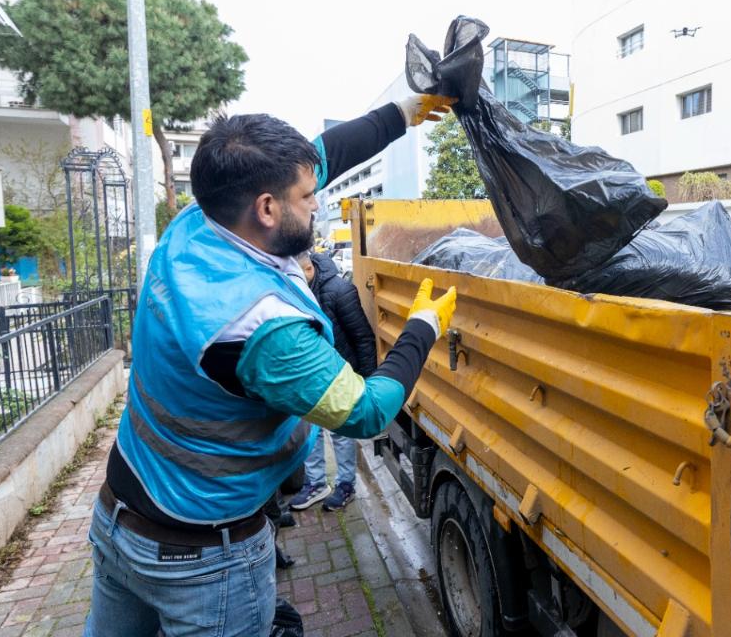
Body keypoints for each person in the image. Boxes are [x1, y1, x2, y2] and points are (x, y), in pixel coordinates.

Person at [84, 94, 457, 637]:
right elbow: (367, 411)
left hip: (120, 512)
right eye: (309, 198)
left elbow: (324, 153)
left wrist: (404, 111)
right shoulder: (260, 327)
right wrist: (423, 325)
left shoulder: (197, 222)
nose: (317, 205)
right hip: (201, 560)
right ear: (266, 208)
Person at [289, 250, 376, 511]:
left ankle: (346, 484)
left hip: (338, 377)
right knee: (311, 434)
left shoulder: (340, 290)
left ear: (307, 270)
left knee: (341, 433)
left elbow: (363, 337)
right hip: (306, 378)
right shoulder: (292, 294)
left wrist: (369, 381)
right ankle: (315, 483)